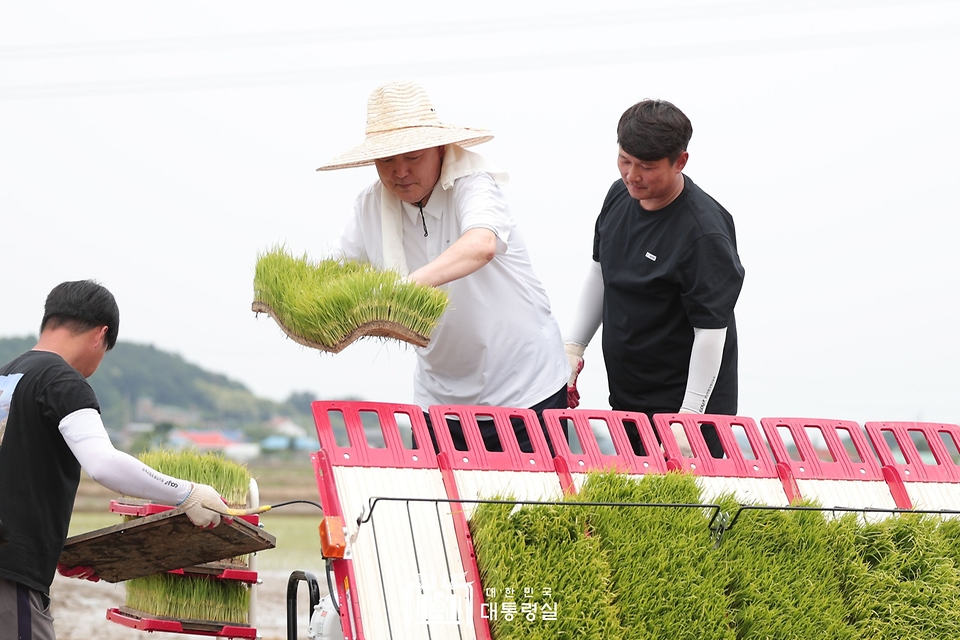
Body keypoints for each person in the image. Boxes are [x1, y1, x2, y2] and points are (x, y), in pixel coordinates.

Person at [316, 80, 569, 453]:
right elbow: (334, 278)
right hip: (440, 399)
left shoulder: (473, 183)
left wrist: (402, 291)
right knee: (443, 510)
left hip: (525, 389)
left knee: (527, 509)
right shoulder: (370, 206)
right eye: (387, 160)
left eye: (413, 157)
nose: (400, 171)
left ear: (439, 148)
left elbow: (481, 244)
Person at [0, 280, 232, 639]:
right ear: (100, 335)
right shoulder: (62, 381)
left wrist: (52, 548)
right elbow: (104, 464)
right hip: (10, 577)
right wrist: (188, 494)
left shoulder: (7, 378)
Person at [564, 99, 745, 458]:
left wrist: (688, 419)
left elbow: (711, 332)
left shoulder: (704, 233)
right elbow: (601, 272)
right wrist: (573, 348)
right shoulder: (619, 197)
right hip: (630, 395)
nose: (632, 175)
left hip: (688, 404)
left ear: (680, 162)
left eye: (646, 167)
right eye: (624, 160)